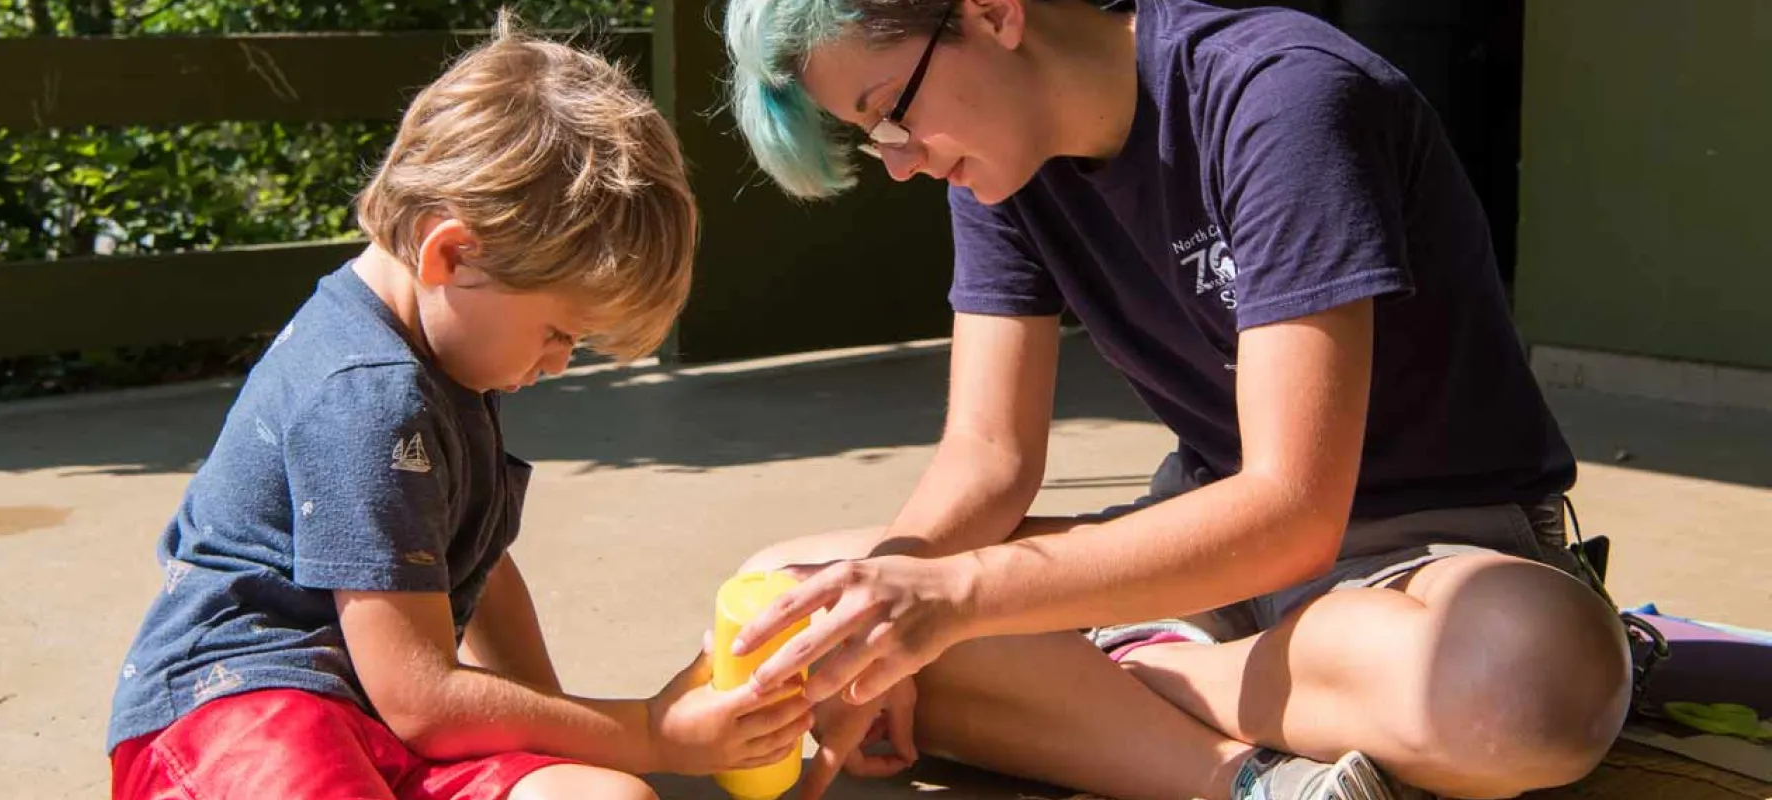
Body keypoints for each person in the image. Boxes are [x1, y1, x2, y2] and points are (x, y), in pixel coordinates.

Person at [718, 0, 1633, 798]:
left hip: (1433, 550)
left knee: (1527, 688)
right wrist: (892, 600)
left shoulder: (1281, 97)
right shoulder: (999, 168)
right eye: (875, 137)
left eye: (890, 114)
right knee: (790, 603)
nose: (901, 163)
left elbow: (1292, 510)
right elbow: (988, 458)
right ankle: (1255, 766)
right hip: (1204, 546)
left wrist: (957, 601)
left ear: (994, 12)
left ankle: (1129, 674)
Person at [104, 17, 811, 800]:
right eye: (557, 333)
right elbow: (424, 700)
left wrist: (579, 750)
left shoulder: (447, 356)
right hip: (240, 719)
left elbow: (476, 569)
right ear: (452, 254)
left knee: (608, 798)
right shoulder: (367, 393)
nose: (552, 365)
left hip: (380, 727)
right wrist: (648, 731)